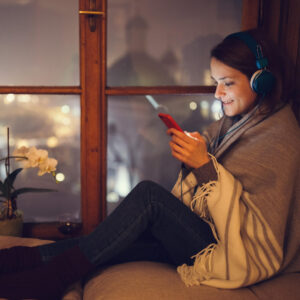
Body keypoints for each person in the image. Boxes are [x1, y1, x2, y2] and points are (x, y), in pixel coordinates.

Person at [0, 29, 299, 299]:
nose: (218, 94)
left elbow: (259, 238)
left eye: (227, 83)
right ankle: (17, 261)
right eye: (215, 83)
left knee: (149, 197)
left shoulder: (279, 138)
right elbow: (216, 154)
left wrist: (204, 166)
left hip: (234, 252)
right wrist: (198, 148)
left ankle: (49, 279)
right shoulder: (239, 122)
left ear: (262, 81)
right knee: (122, 240)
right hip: (212, 234)